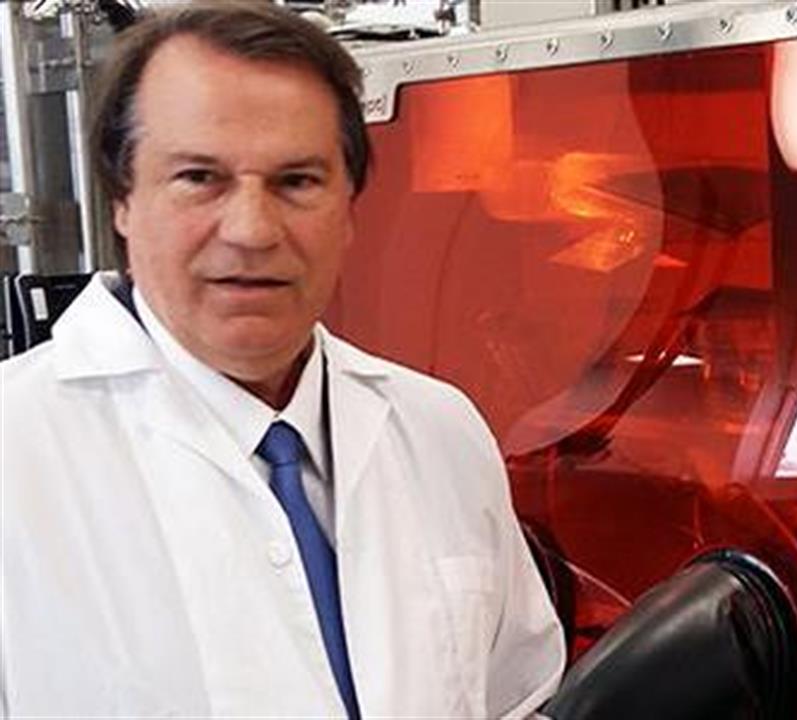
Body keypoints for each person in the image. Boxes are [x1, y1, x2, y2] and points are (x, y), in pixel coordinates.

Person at [0, 2, 564, 717]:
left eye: (297, 181)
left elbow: (519, 698)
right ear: (122, 202)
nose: (252, 230)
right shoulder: (16, 451)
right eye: (199, 177)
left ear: (349, 209)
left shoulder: (440, 431)